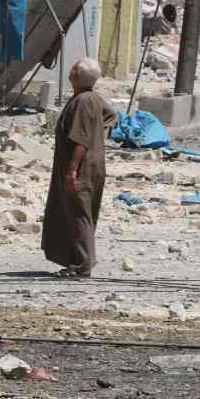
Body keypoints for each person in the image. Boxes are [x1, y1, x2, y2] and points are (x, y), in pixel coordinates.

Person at [41, 58, 115, 278]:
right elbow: (111, 116)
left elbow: (81, 140)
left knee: (79, 215)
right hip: (92, 166)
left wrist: (72, 170)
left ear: (78, 76)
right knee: (78, 213)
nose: (71, 70)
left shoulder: (83, 101)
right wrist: (99, 134)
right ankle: (76, 260)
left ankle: (83, 266)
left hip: (81, 168)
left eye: (74, 68)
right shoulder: (93, 98)